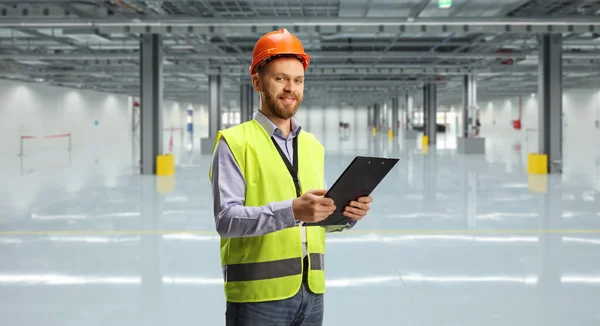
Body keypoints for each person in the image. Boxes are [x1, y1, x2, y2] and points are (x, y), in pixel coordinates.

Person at [208, 28, 373, 326]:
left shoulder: (312, 145)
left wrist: (346, 215)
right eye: (280, 78)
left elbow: (313, 221)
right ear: (257, 81)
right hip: (257, 297)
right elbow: (226, 220)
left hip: (312, 294)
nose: (290, 88)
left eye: (298, 80)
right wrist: (293, 210)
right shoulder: (234, 142)